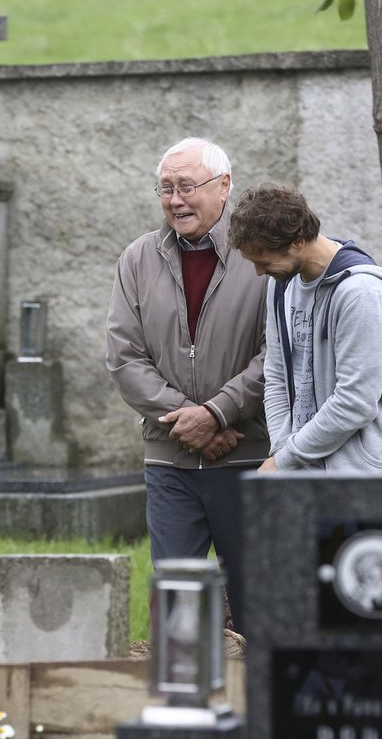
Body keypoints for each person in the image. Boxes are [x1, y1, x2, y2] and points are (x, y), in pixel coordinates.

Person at [105, 137, 271, 629]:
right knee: (178, 608)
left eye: (187, 187)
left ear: (224, 187)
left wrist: (219, 412)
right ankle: (185, 702)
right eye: (165, 188)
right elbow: (124, 356)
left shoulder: (258, 256)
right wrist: (188, 419)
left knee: (255, 600)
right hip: (170, 458)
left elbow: (278, 354)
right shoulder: (137, 259)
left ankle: (255, 702)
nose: (175, 200)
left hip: (249, 456)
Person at [228, 184, 382, 473]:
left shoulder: (362, 293)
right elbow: (275, 375)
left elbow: (355, 402)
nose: (259, 272)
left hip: (362, 477)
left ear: (298, 240)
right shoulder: (281, 285)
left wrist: (284, 460)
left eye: (264, 262)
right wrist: (282, 452)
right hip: (300, 470)